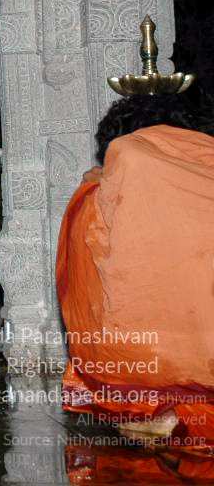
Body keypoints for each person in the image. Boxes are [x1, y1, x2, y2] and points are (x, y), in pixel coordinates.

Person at [57, 91, 214, 447]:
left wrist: (93, 187)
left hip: (161, 364)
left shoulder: (129, 157)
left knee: (87, 213)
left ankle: (163, 410)